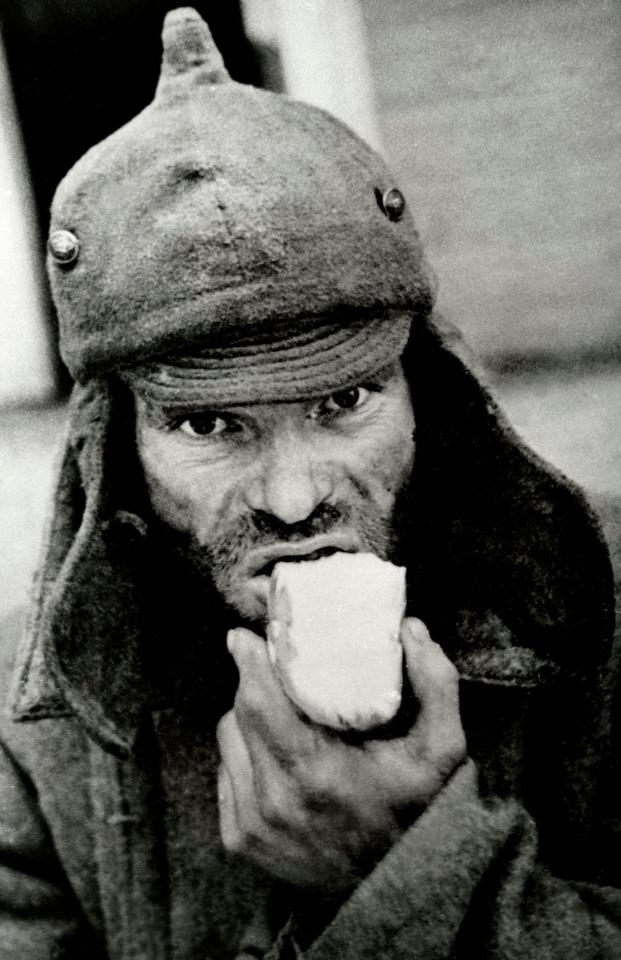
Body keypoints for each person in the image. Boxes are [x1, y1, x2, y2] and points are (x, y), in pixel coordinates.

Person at [1, 8, 620, 959]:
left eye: (344, 400)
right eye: (209, 424)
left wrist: (418, 870)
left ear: (432, 399)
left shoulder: (612, 620)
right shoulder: (25, 728)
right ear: (111, 448)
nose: (293, 501)